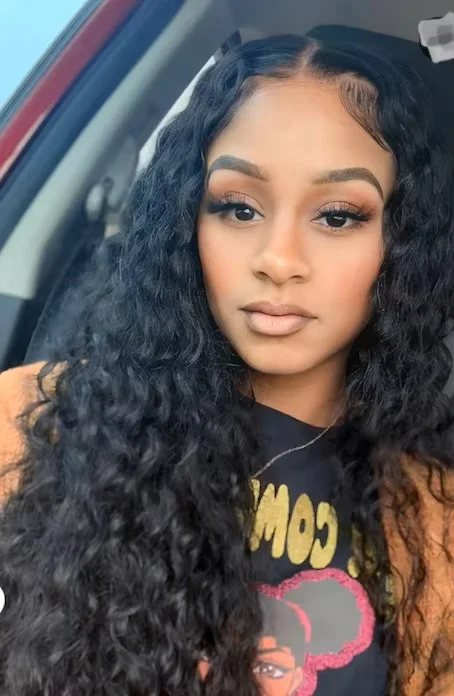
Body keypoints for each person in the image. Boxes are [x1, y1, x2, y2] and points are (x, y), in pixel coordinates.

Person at [0, 32, 453, 696]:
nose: (277, 258)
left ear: (403, 243)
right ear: (190, 221)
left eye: (337, 216)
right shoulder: (26, 424)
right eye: (239, 208)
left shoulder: (434, 526)